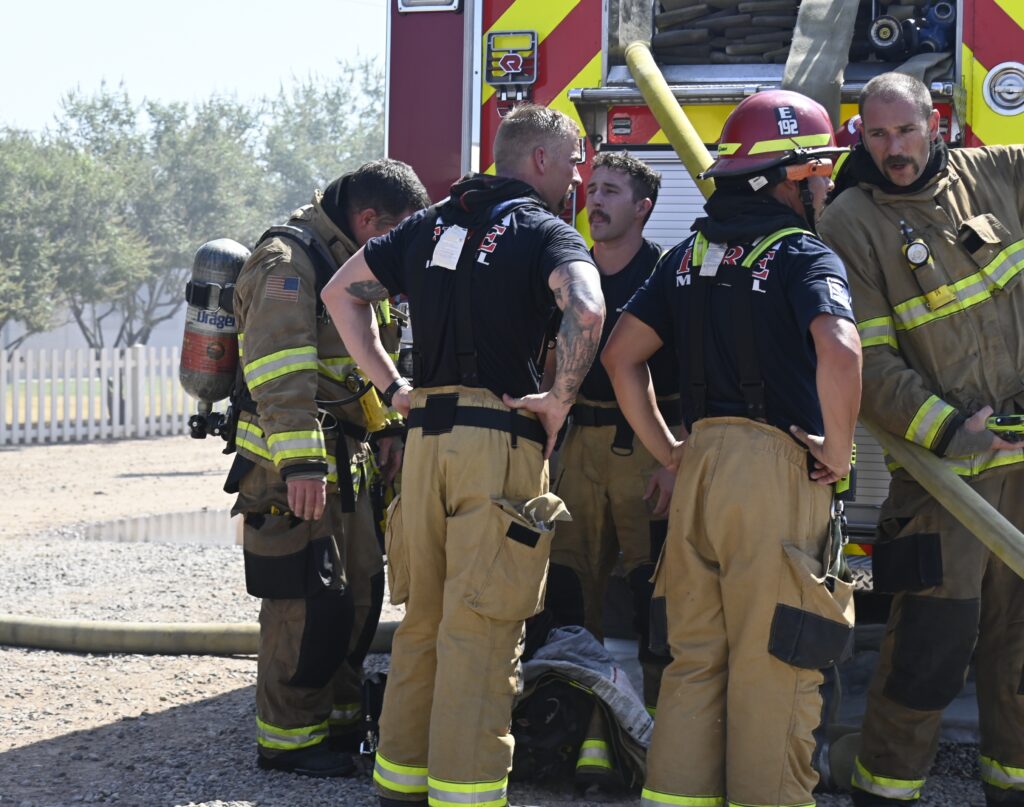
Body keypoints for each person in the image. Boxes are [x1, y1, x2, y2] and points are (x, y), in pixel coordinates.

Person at [321, 103, 605, 807]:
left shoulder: (427, 224)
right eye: (573, 162)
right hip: (497, 445)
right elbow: (587, 307)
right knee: (482, 628)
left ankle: (401, 786)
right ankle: (467, 795)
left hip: (425, 446)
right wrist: (559, 399)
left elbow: (339, 293)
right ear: (539, 160)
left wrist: (392, 387)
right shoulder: (545, 230)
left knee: (423, 622)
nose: (577, 178)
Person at [602, 89, 862, 807]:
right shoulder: (804, 254)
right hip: (775, 471)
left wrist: (670, 451)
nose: (828, 184)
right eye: (820, 170)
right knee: (776, 660)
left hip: (701, 468)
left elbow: (620, 356)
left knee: (693, 662)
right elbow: (841, 349)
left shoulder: (684, 255)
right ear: (790, 176)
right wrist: (838, 451)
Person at [817, 71, 1024, 807]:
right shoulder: (849, 221)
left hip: (1022, 470)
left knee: (1020, 650)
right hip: (944, 482)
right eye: (877, 135)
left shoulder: (995, 173)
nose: (893, 149)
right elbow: (866, 362)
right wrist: (952, 430)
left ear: (935, 122)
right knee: (929, 650)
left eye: (905, 131)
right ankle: (885, 791)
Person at [228, 159, 429, 778]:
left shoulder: (356, 262)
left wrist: (388, 429)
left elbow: (369, 358)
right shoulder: (287, 264)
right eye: (396, 234)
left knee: (357, 598)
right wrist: (302, 465)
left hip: (349, 459)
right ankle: (288, 741)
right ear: (367, 219)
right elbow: (280, 374)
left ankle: (340, 723)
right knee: (303, 606)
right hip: (293, 467)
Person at [541, 150, 675, 782]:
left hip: (645, 450)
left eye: (611, 191)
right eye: (592, 188)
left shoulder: (665, 275)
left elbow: (690, 375)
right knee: (570, 598)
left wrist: (674, 459)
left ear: (643, 208)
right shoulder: (571, 272)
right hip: (577, 448)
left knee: (655, 602)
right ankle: (584, 738)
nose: (594, 200)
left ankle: (661, 748)